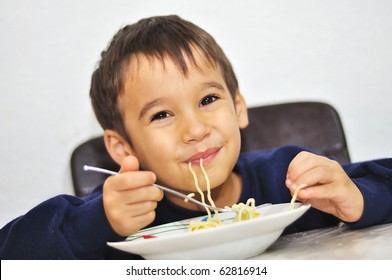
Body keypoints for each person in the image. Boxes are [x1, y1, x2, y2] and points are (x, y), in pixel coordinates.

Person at [1, 15, 392, 260]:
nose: (195, 129)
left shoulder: (286, 179)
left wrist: (359, 197)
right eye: (162, 114)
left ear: (238, 108)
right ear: (123, 147)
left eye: (208, 99)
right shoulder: (120, 214)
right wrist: (96, 222)